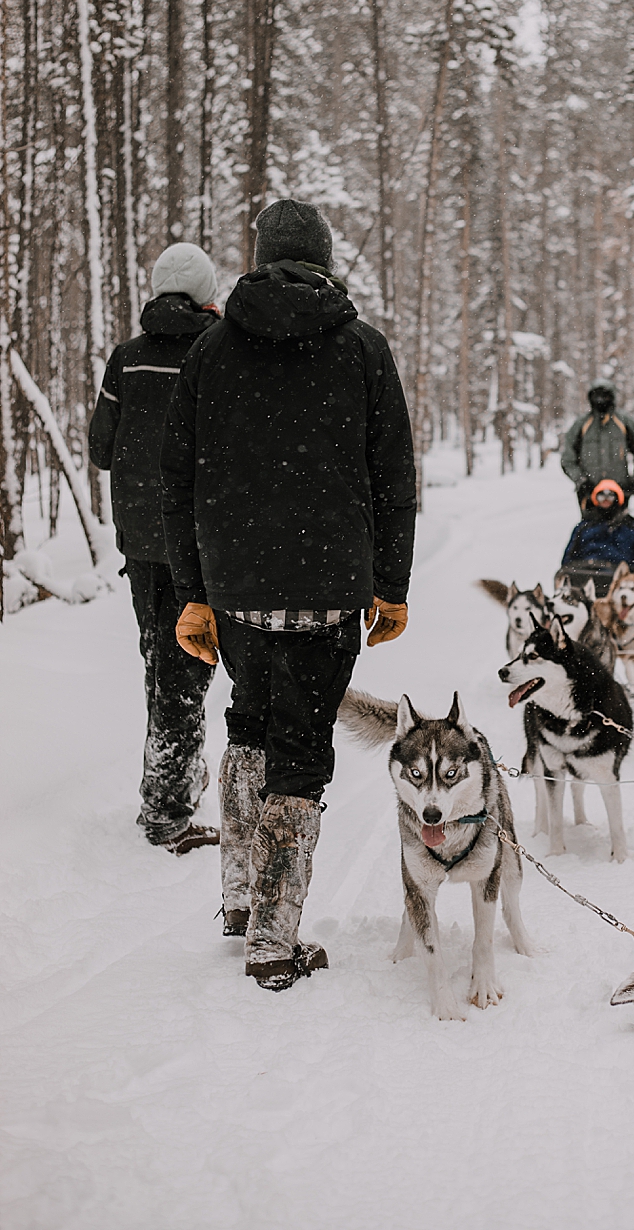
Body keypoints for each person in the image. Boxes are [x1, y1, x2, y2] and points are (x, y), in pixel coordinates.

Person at [159, 199, 416, 992]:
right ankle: (273, 939)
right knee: (301, 750)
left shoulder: (209, 351)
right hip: (328, 589)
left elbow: (179, 480)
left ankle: (239, 898)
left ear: (260, 258)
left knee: (248, 721)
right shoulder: (363, 350)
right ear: (325, 259)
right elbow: (392, 479)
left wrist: (194, 594)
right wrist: (390, 587)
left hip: (237, 593)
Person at [88, 243, 221, 854]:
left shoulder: (127, 359)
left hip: (140, 539)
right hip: (199, 539)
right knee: (188, 667)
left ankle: (177, 778)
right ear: (203, 292)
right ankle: (168, 810)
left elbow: (99, 447)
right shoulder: (218, 353)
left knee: (160, 660)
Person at [560, 379, 634, 510]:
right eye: (597, 396)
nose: (601, 400)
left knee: (620, 526)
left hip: (620, 489)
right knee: (590, 528)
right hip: (589, 491)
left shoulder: (624, 422)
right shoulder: (581, 424)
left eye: (605, 396)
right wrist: (581, 480)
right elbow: (568, 459)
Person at [560, 479, 634, 587]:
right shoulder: (585, 526)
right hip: (585, 575)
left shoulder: (632, 527)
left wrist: (632, 570)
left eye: (610, 495)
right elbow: (568, 558)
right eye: (601, 496)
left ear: (618, 498)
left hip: (619, 579)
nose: (606, 500)